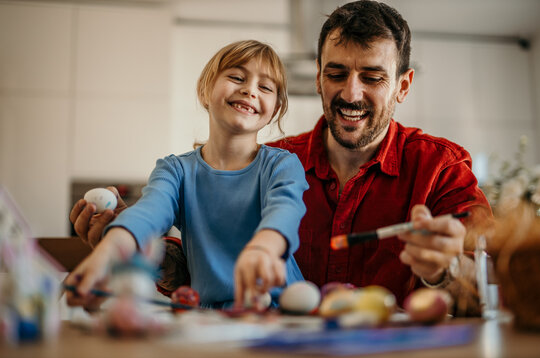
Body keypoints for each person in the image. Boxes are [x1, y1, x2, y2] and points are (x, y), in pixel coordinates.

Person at [71, 1, 491, 313]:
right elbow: (205, 264)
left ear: (402, 86)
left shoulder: (442, 169)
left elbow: (497, 291)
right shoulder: (269, 160)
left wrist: (445, 269)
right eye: (337, 73)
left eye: (373, 77)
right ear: (319, 74)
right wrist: (134, 246)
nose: (351, 93)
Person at [65, 40, 309, 310]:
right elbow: (148, 213)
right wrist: (108, 251)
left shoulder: (282, 165)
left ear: (274, 110)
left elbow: (284, 212)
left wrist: (263, 249)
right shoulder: (176, 171)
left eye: (265, 87)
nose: (250, 89)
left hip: (283, 311)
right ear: (205, 91)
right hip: (210, 320)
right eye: (237, 77)